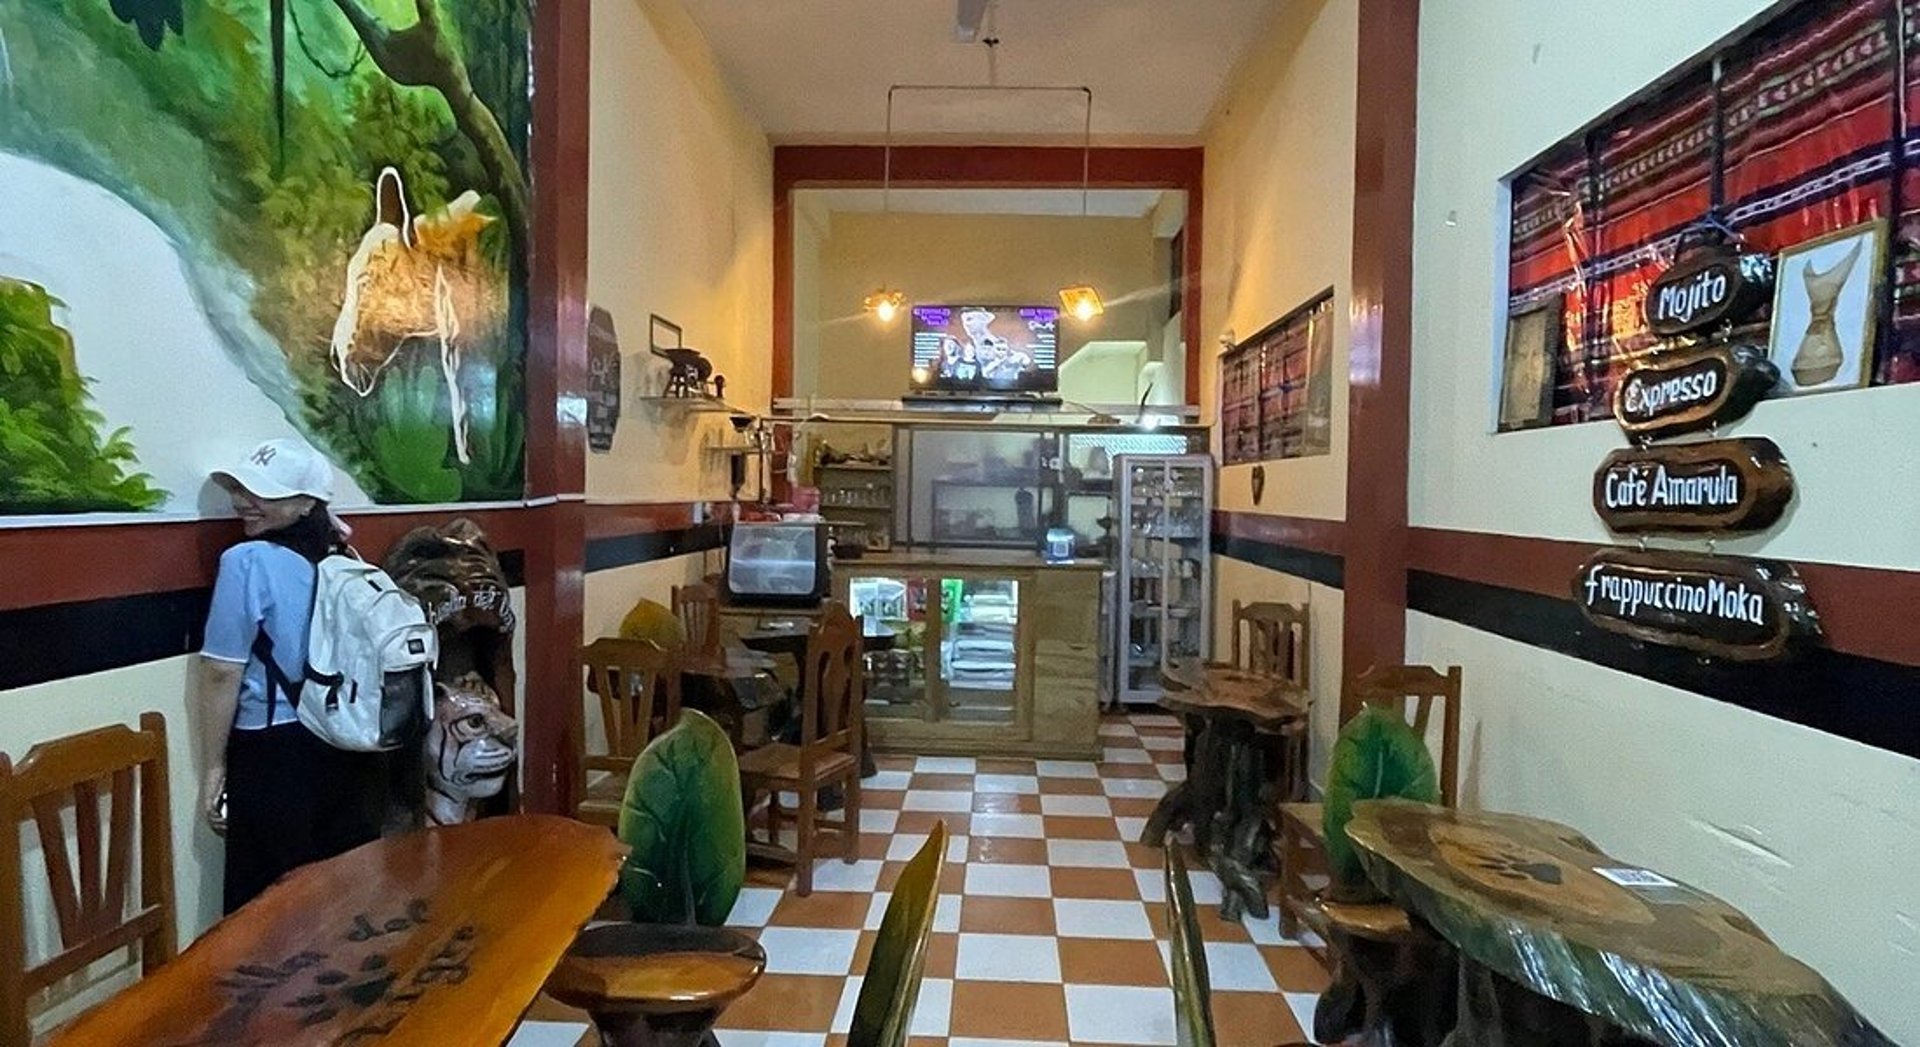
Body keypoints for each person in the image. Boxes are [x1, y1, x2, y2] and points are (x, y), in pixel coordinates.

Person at [194, 438, 383, 912]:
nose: (243, 501)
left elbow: (220, 671)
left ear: (305, 504)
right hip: (344, 743)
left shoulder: (246, 561)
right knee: (340, 900)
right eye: (241, 488)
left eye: (263, 493)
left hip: (273, 751)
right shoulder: (345, 557)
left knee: (266, 909)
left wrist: (213, 767)